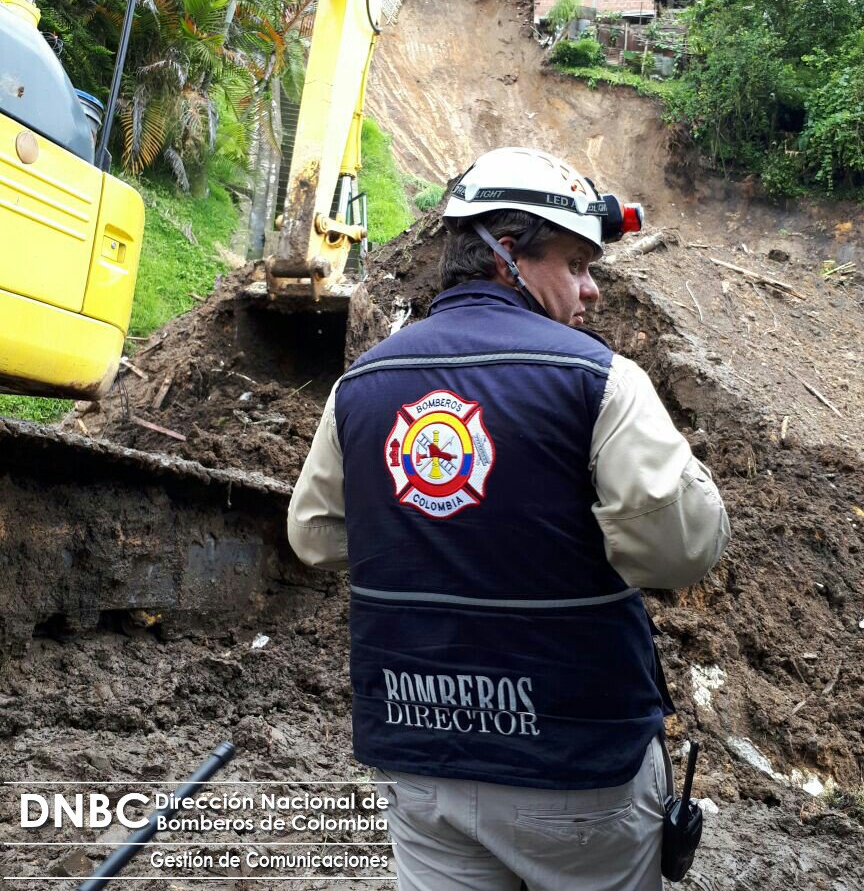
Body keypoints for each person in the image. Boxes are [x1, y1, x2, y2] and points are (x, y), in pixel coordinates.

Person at [287, 147, 730, 891]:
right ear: (506, 255)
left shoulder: (359, 385)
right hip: (575, 761)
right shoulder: (600, 382)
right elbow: (678, 551)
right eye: (576, 264)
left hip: (418, 751)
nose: (589, 291)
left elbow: (316, 536)